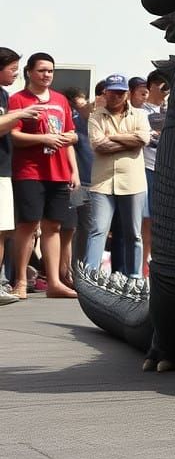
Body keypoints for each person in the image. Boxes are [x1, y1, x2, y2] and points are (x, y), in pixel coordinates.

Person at [8, 52, 79, 299]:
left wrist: (74, 169)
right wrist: (44, 138)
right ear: (29, 72)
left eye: (50, 71)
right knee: (28, 225)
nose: (47, 75)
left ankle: (55, 282)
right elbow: (15, 136)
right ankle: (19, 280)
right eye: (42, 70)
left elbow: (71, 134)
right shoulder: (18, 100)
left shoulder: (61, 100)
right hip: (29, 170)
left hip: (59, 171)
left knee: (54, 226)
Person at [86, 74, 150, 278]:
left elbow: (142, 139)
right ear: (105, 93)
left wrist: (112, 137)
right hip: (102, 182)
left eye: (120, 92)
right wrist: (128, 142)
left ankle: (135, 277)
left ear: (127, 94)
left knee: (134, 234)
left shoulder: (139, 115)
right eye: (112, 92)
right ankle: (91, 275)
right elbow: (98, 145)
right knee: (98, 230)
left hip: (133, 182)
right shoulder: (96, 116)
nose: (116, 96)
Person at [0, 47, 46, 304]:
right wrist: (19, 114)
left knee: (4, 231)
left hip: (5, 170)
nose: (16, 74)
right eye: (12, 69)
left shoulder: (4, 96)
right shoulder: (11, 102)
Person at [140, 71, 169, 275]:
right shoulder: (139, 112)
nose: (166, 90)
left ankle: (158, 261)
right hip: (146, 168)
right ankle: (143, 263)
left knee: (162, 219)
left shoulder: (171, 111)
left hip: (166, 170)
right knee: (145, 219)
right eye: (163, 85)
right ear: (152, 85)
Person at [64, 86, 94, 268]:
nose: (85, 107)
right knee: (71, 228)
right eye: (80, 104)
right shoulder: (72, 122)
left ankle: (78, 269)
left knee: (87, 228)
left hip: (92, 181)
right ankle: (72, 270)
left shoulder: (95, 121)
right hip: (75, 182)